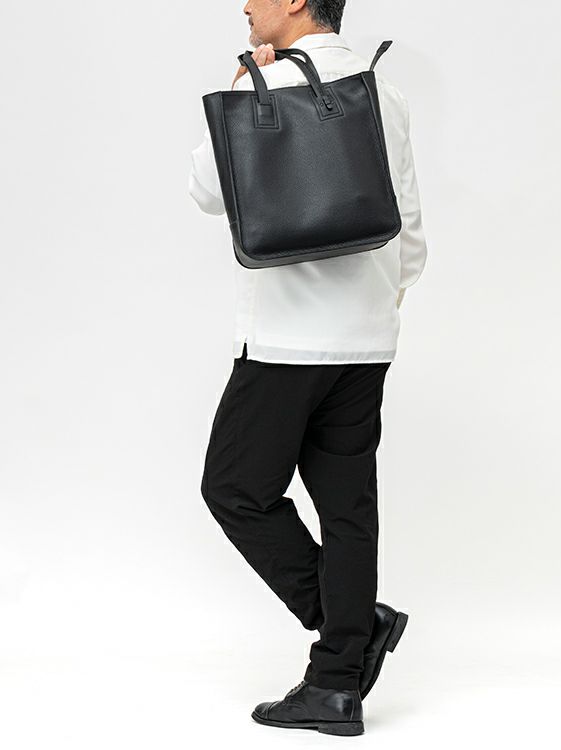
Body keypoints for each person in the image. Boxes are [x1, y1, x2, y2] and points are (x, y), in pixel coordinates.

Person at [188, 0, 427, 737]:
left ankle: (352, 629)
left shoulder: (264, 84)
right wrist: (377, 306)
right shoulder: (381, 90)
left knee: (235, 488)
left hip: (288, 340)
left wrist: (240, 87)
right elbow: (410, 230)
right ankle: (335, 686)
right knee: (348, 509)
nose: (244, 5)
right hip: (366, 341)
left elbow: (208, 192)